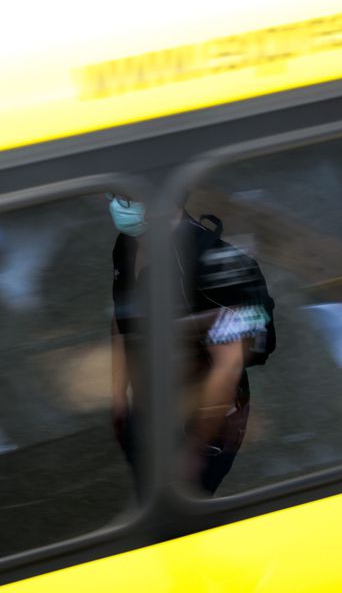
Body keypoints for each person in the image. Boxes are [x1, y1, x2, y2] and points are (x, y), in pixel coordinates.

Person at [108, 193, 266, 495]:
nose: (117, 205)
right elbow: (121, 322)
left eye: (128, 198)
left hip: (203, 428)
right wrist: (118, 397)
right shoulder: (126, 246)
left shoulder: (211, 261)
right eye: (117, 196)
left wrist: (194, 451)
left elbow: (228, 365)